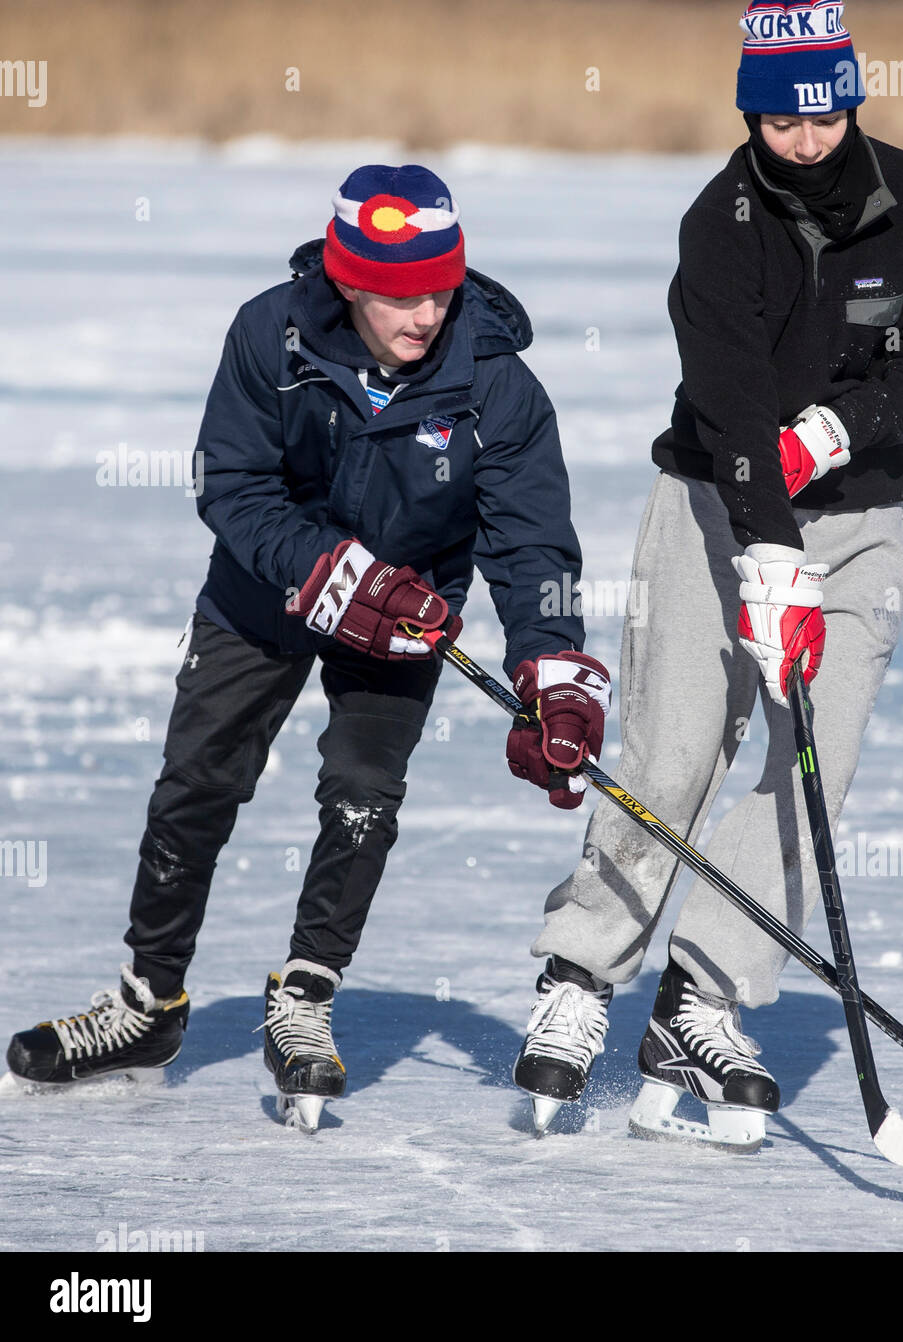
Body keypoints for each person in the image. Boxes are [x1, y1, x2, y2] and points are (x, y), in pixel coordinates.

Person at [5, 164, 610, 1131]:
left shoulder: (496, 381)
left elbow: (531, 542)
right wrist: (329, 573)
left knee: (363, 794)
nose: (422, 313)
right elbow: (231, 484)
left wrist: (553, 667)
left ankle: (306, 996)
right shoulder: (269, 336)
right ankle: (144, 1003)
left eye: (438, 289)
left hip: (406, 612)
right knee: (197, 781)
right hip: (266, 593)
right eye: (395, 293)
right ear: (345, 282)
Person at [512, 0, 903, 1148]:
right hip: (714, 505)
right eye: (777, 112)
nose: (802, 134)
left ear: (851, 95)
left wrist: (841, 425)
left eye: (821, 108)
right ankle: (578, 977)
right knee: (670, 750)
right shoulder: (717, 222)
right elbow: (726, 402)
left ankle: (701, 998)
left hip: (863, 522)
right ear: (749, 107)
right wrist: (767, 553)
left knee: (808, 761)